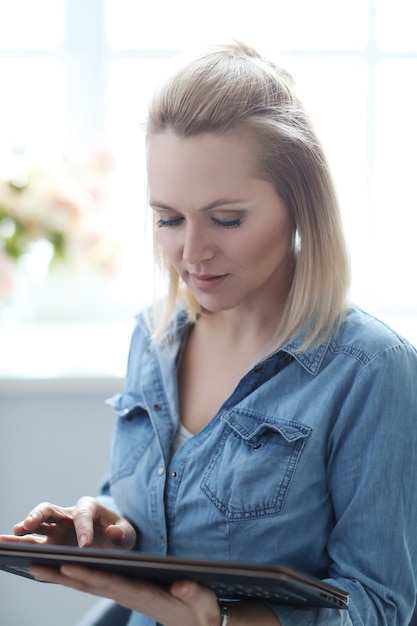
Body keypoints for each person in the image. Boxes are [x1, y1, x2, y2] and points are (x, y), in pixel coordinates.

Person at [1, 41, 417, 626]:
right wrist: (108, 527)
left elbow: (382, 606)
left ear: (299, 204)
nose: (191, 254)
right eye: (169, 219)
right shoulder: (154, 337)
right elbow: (160, 506)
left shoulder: (372, 371)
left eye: (226, 219)